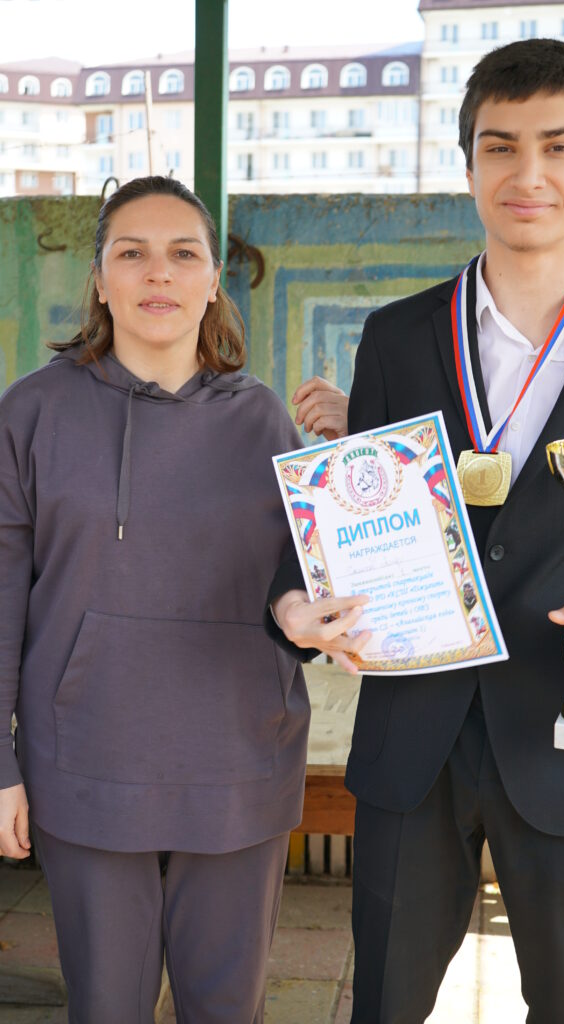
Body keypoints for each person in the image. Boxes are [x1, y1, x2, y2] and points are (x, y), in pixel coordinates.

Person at [269, 39, 564, 1023]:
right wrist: (294, 599)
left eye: (558, 146)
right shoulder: (398, 336)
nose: (527, 173)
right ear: (468, 169)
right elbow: (355, 505)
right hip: (415, 741)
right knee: (383, 1005)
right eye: (500, 147)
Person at [0, 175, 360, 1024]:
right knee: (106, 1008)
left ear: (211, 281)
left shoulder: (263, 420)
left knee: (226, 1009)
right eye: (132, 253)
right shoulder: (31, 413)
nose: (158, 273)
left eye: (183, 254)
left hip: (240, 762)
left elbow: (298, 589)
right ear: (100, 280)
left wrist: (309, 615)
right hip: (84, 765)